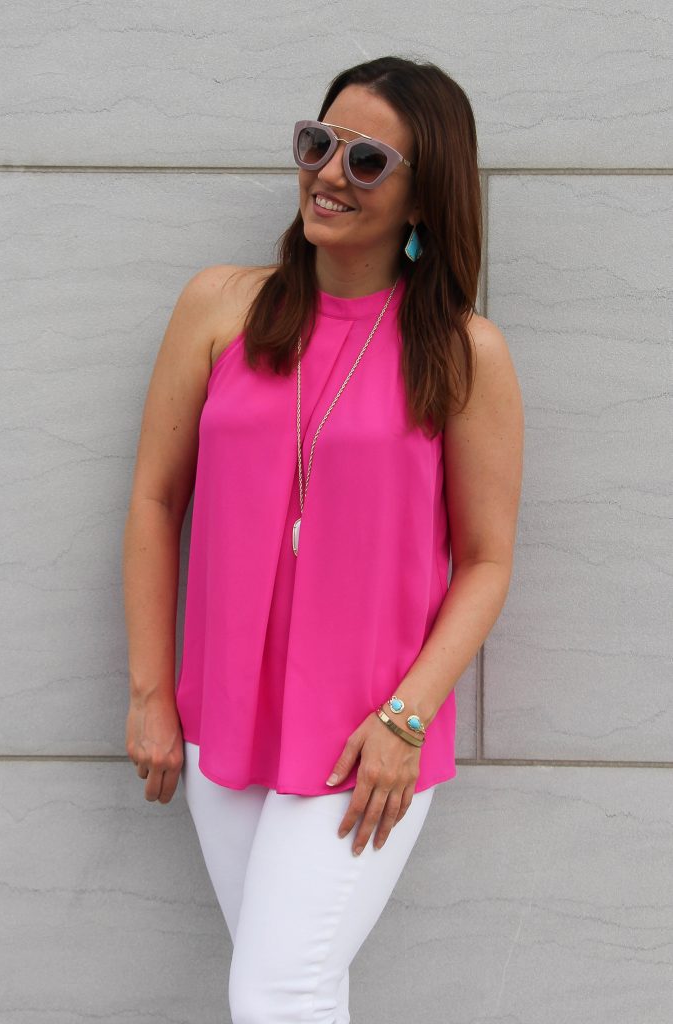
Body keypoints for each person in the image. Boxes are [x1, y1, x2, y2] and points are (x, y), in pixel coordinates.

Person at [123, 55, 523, 1023]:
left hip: (364, 736)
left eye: (368, 159)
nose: (329, 172)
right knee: (305, 988)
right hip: (222, 719)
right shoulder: (220, 305)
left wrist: (406, 718)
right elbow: (153, 501)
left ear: (425, 194)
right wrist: (150, 692)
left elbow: (486, 560)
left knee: (277, 990)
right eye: (318, 142)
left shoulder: (464, 351)